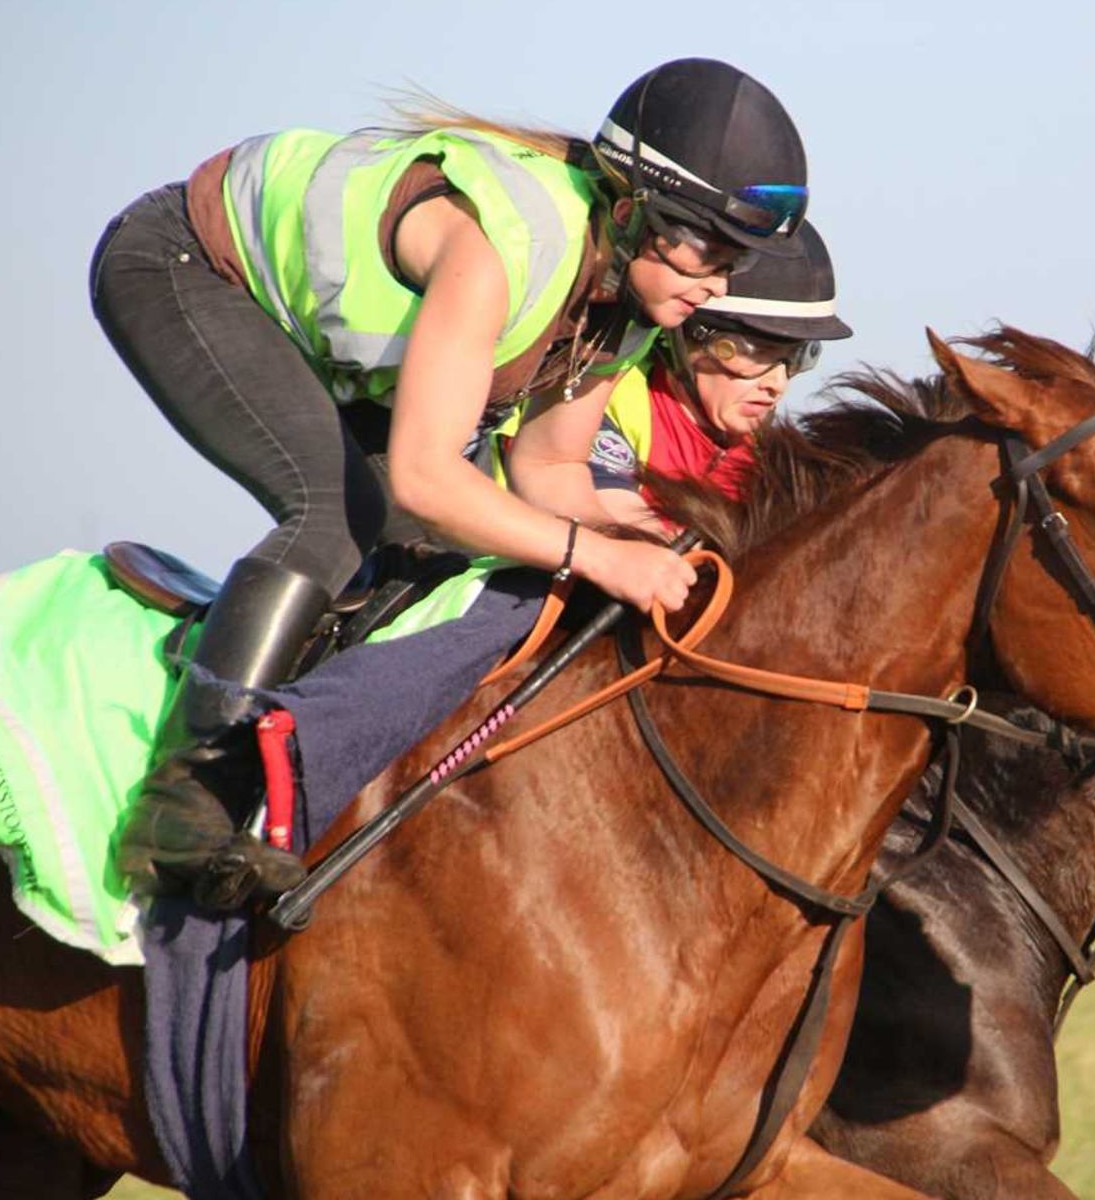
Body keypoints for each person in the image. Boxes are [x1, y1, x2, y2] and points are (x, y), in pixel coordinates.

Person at [89, 58, 809, 907]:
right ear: (631, 214)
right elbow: (430, 477)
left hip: (315, 347)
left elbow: (547, 470)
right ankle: (184, 805)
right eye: (710, 252)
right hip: (184, 265)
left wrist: (649, 537)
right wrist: (601, 561)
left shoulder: (630, 313)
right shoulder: (496, 255)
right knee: (337, 512)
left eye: (736, 263)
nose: (719, 284)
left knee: (427, 549)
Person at [490, 219, 851, 527]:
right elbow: (617, 522)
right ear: (684, 336)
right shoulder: (604, 396)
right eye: (758, 353)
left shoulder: (765, 461)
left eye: (797, 358)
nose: (777, 384)